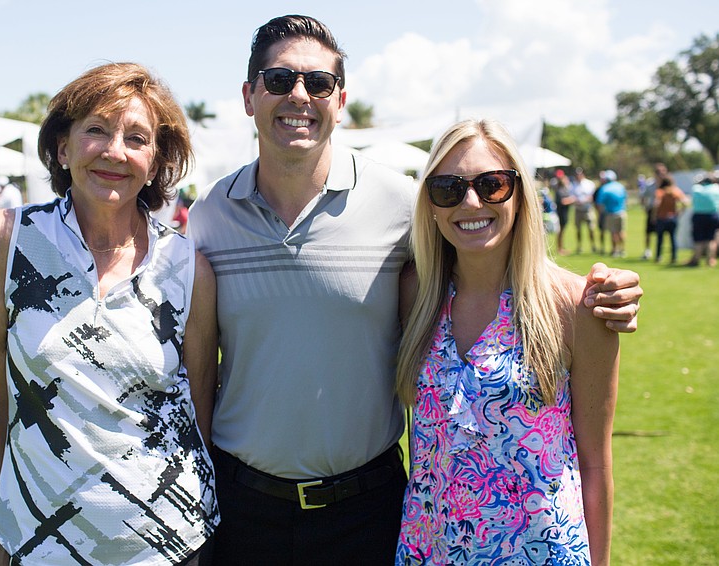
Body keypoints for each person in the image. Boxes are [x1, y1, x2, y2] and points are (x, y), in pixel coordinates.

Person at [187, 14, 642, 565]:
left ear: (341, 98)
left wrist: (597, 292)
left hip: (366, 509)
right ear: (248, 94)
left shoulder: (402, 202)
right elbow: (198, 368)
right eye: (280, 80)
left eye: (319, 83)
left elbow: (491, 262)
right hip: (246, 506)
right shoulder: (210, 212)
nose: (299, 96)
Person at [0, 62, 219, 565]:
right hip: (39, 545)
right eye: (97, 131)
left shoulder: (187, 266)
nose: (114, 151)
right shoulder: (8, 240)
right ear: (63, 148)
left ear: (155, 161)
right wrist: (4, 527)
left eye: (136, 138)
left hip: (166, 545)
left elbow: (199, 416)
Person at [396, 119, 619, 565]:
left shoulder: (575, 306)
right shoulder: (414, 294)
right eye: (448, 188)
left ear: (520, 195)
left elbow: (595, 464)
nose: (471, 201)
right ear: (431, 205)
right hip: (429, 551)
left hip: (542, 553)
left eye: (492, 184)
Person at [653, 175, 689, 264]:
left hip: (661, 218)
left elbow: (656, 205)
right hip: (672, 218)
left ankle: (658, 257)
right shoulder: (675, 192)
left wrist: (653, 216)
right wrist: (679, 212)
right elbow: (685, 202)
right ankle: (673, 258)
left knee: (660, 239)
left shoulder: (660, 192)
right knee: (673, 238)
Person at [686, 173, 719, 267]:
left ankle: (696, 259)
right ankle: (710, 260)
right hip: (713, 216)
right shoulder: (716, 188)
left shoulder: (696, 188)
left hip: (699, 216)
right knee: (711, 239)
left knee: (698, 239)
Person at [595, 170, 628, 257]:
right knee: (621, 231)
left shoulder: (604, 188)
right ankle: (623, 249)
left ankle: (615, 250)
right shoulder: (621, 186)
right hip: (622, 212)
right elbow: (625, 199)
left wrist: (600, 213)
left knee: (613, 232)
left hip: (610, 213)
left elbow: (599, 203)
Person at [640, 163, 667, 259]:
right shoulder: (650, 184)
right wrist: (644, 207)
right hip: (651, 210)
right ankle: (647, 251)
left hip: (663, 211)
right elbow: (643, 196)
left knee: (661, 233)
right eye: (660, 172)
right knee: (649, 232)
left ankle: (659, 253)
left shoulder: (667, 183)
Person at [572, 167, 599, 254]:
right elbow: (572, 196)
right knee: (578, 229)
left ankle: (593, 246)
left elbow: (592, 196)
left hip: (588, 209)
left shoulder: (589, 184)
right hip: (578, 209)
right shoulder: (573, 185)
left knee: (591, 228)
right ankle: (579, 246)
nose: (578, 176)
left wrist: (585, 200)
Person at [552, 168, 574, 254]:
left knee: (562, 230)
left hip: (564, 212)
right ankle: (560, 248)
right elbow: (563, 201)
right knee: (560, 231)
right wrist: (572, 199)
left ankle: (561, 247)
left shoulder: (564, 187)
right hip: (561, 212)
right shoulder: (559, 189)